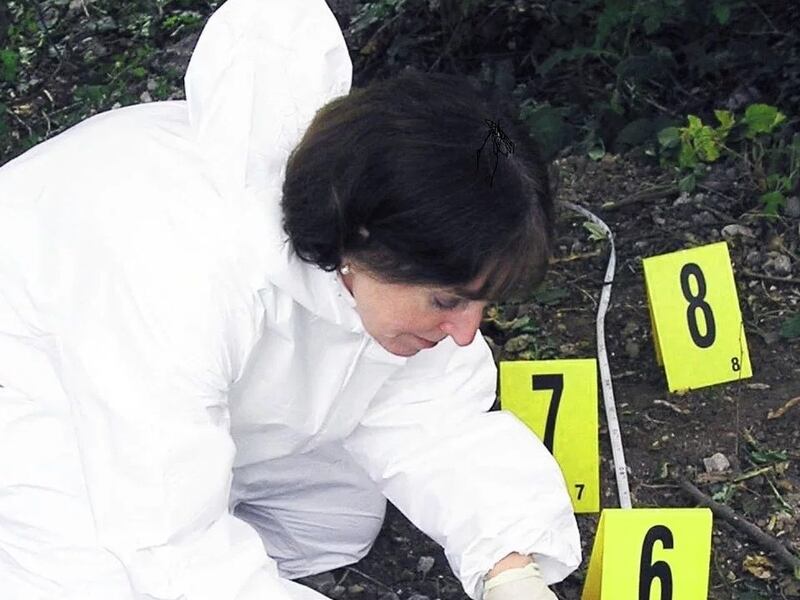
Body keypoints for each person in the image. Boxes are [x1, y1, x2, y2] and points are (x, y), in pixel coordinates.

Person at [0, 1, 580, 599]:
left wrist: (511, 570)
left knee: (338, 517)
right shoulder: (178, 274)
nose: (465, 333)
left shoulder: (365, 233)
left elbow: (437, 421)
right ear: (364, 246)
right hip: (32, 378)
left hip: (158, 396)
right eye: (447, 302)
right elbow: (168, 538)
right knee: (105, 579)